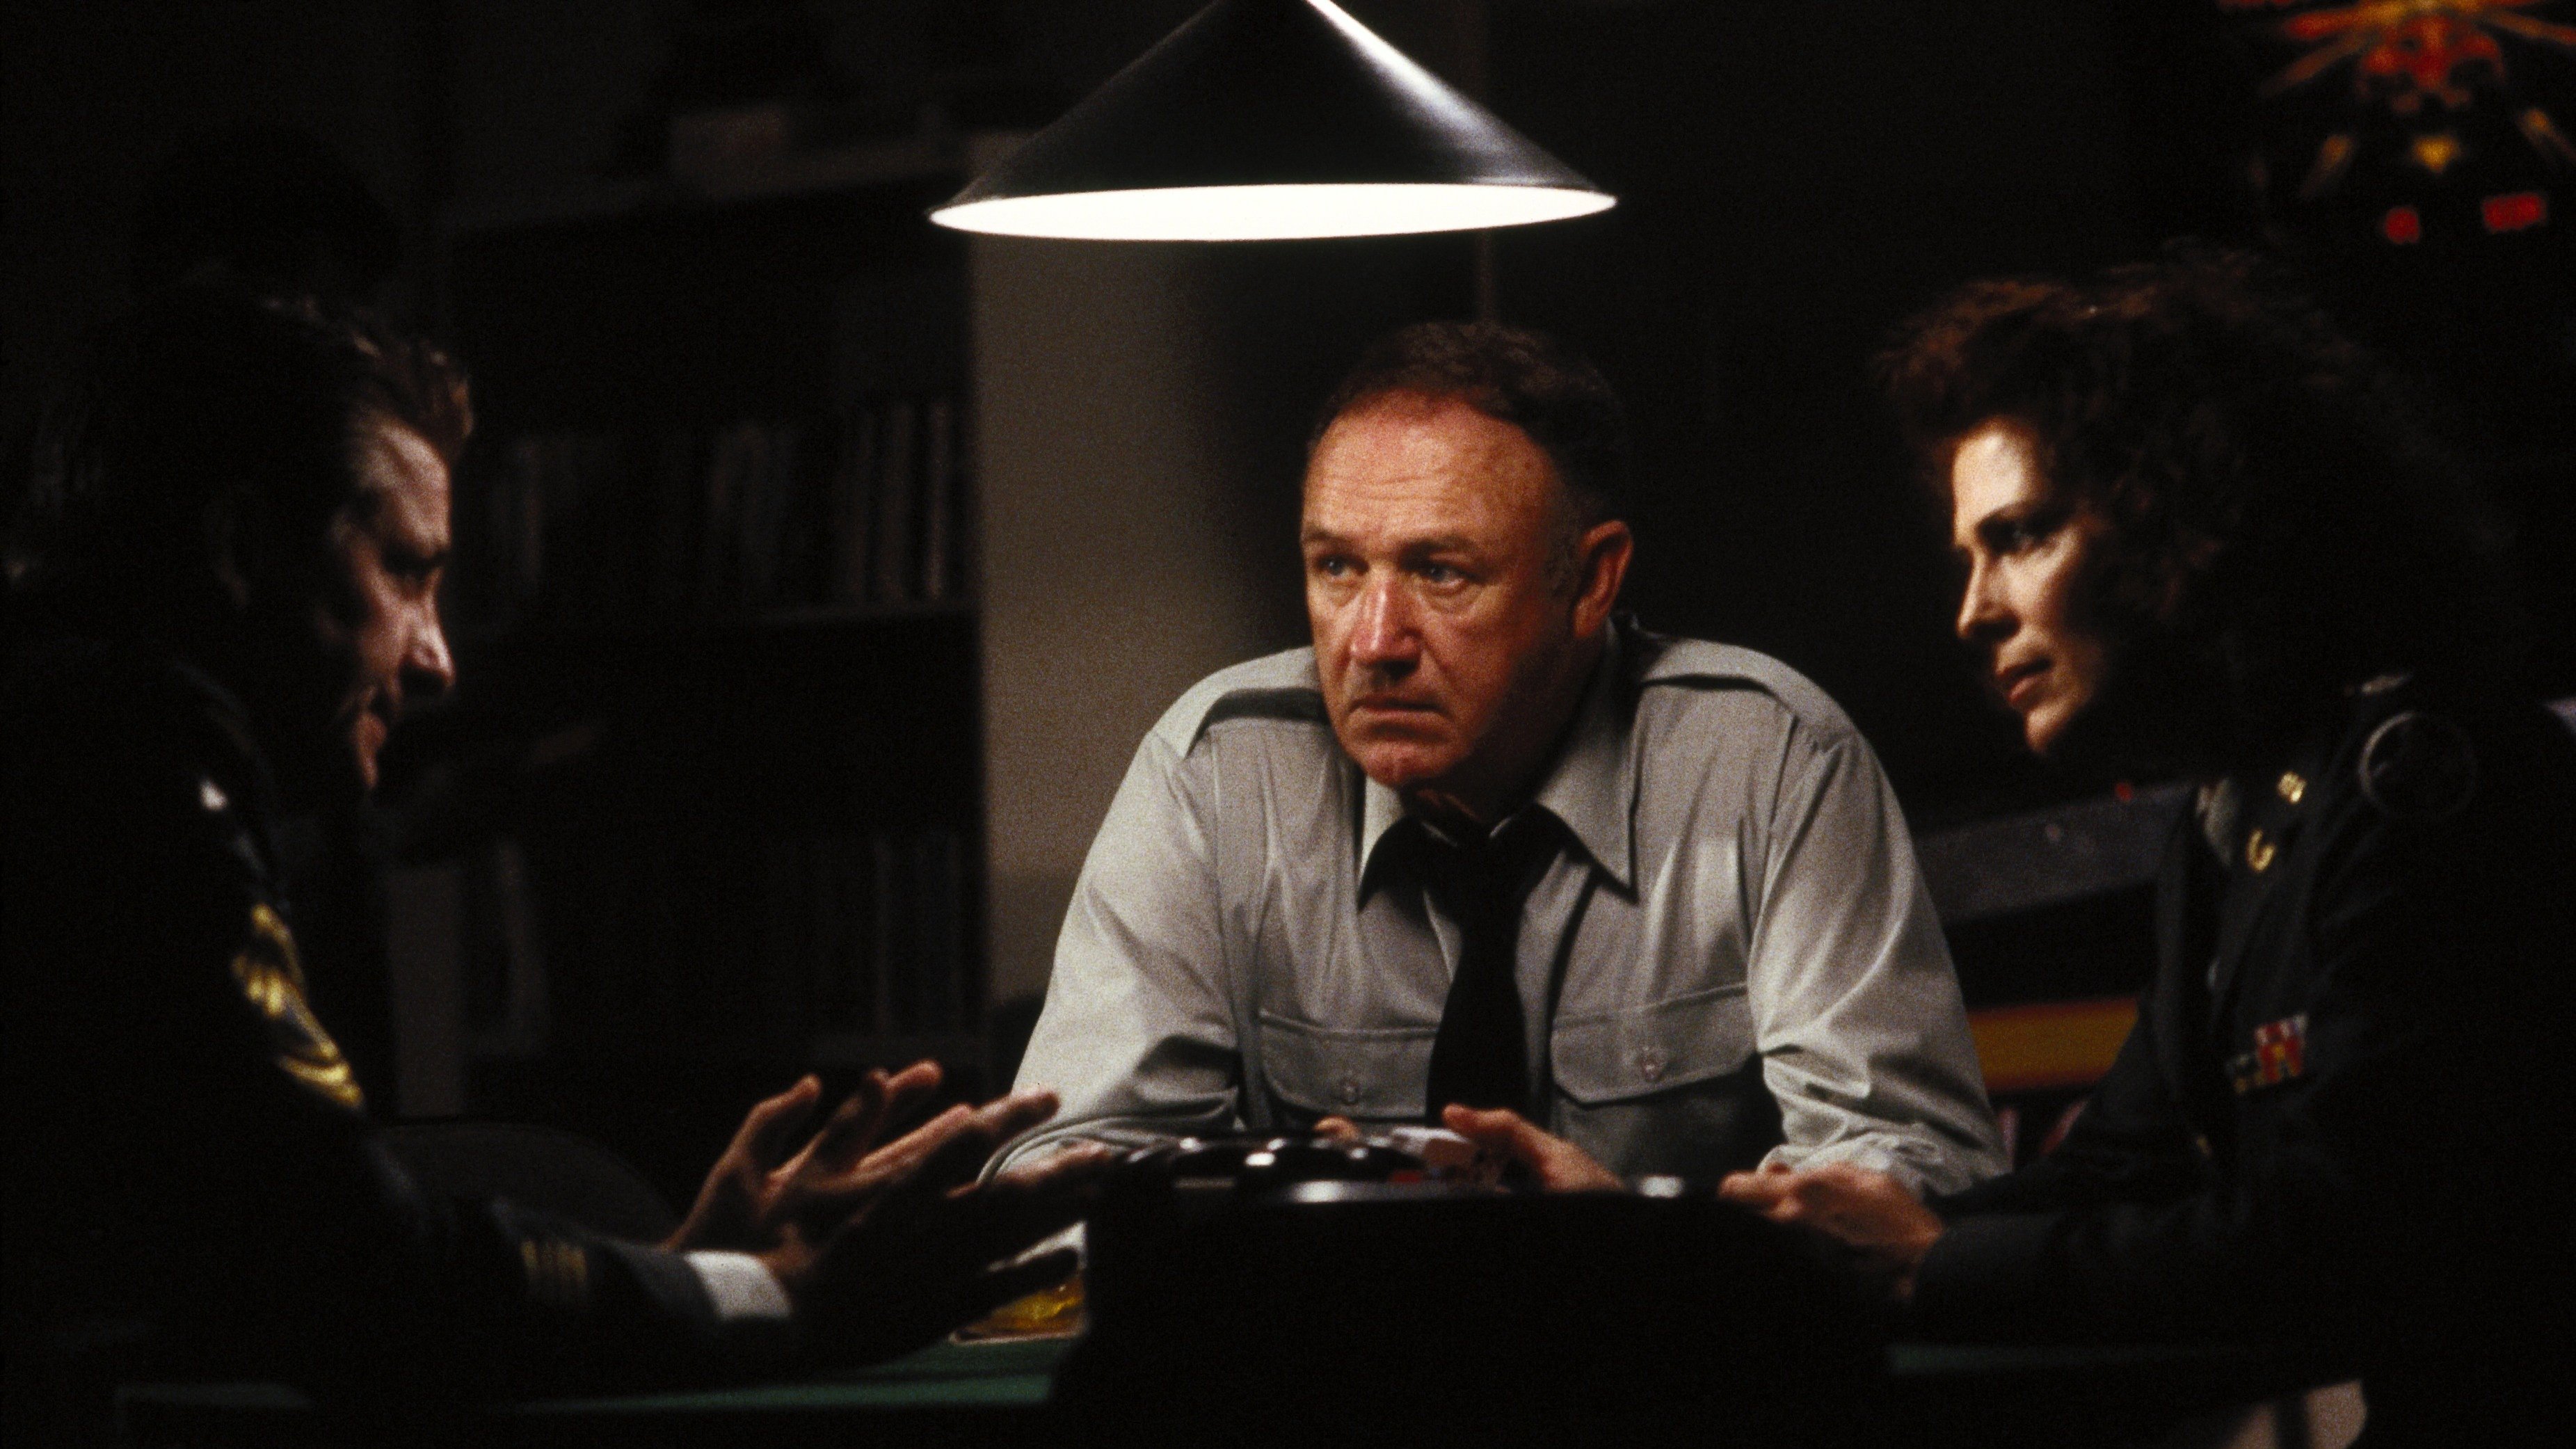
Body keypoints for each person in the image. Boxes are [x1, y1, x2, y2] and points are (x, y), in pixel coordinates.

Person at [1, 287, 1099, 1443]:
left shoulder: (79, 726)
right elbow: (357, 1276)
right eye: (407, 571)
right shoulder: (123, 769)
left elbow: (219, 1285)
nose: (438, 663)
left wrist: (683, 1284)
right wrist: (776, 1296)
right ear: (243, 549)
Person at [1718, 251, 2576, 1443]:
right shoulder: (2236, 816)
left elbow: (2343, 1238)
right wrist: (1797, 1237)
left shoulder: (2425, 784)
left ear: (2183, 517)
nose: (1974, 612)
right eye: (1970, 555)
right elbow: (2121, 1168)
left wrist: (1932, 1262)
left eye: (2021, 536)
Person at [1000, 321, 2003, 1196]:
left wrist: (1631, 1241)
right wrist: (1280, 1210)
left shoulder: (1770, 764)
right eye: (1337, 567)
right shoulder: (1218, 772)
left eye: (1441, 573)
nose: (1373, 641)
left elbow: (1916, 1162)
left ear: (1592, 580)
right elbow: (1061, 1172)